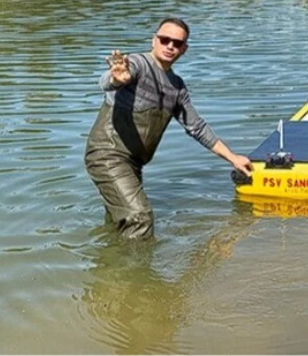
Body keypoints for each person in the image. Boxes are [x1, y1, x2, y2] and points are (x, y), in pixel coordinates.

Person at [84, 18, 253, 239]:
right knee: (140, 217)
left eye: (177, 42)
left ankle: (109, 268)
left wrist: (233, 158)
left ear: (184, 49)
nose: (170, 46)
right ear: (154, 40)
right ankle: (136, 272)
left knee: (119, 221)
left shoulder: (177, 87)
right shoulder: (137, 64)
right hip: (107, 155)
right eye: (165, 40)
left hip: (133, 163)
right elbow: (109, 80)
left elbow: (197, 127)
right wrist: (117, 80)